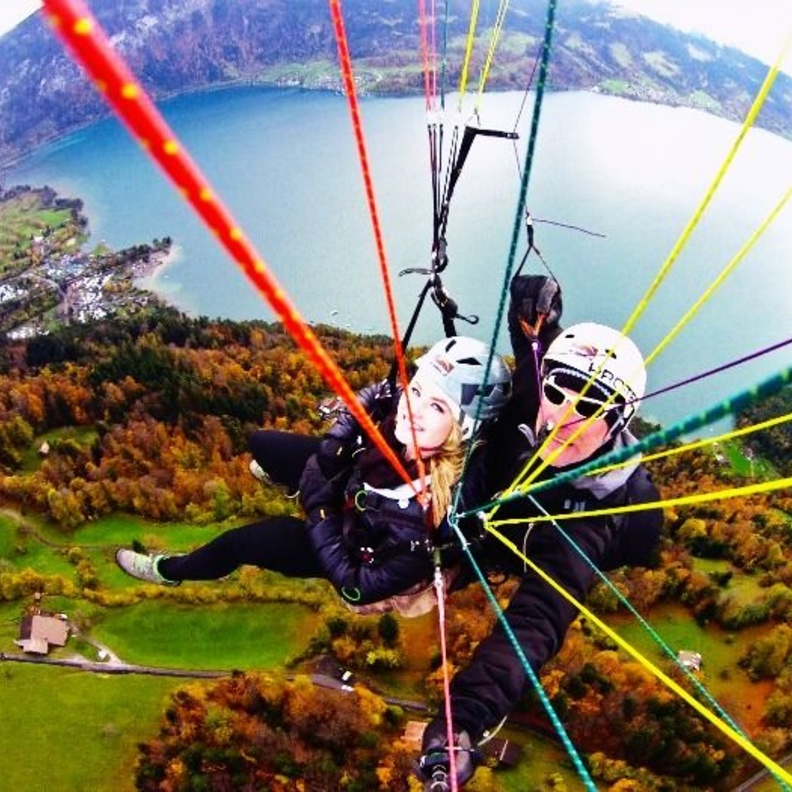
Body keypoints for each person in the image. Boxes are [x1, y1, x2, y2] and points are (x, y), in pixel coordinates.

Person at [418, 275, 664, 788]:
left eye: (593, 406)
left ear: (618, 423)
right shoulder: (539, 403)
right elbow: (535, 351)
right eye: (559, 391)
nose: (568, 414)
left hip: (518, 547)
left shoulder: (592, 513)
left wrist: (460, 720)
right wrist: (534, 305)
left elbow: (534, 625)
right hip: (485, 519)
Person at [115, 336, 512, 619]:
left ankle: (170, 571)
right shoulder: (412, 424)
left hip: (345, 544)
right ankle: (293, 483)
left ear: (463, 431)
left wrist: (318, 511)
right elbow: (382, 392)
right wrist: (340, 435)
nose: (414, 408)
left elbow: (355, 586)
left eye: (438, 407)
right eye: (418, 389)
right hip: (351, 487)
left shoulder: (420, 525)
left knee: (242, 543)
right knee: (261, 443)